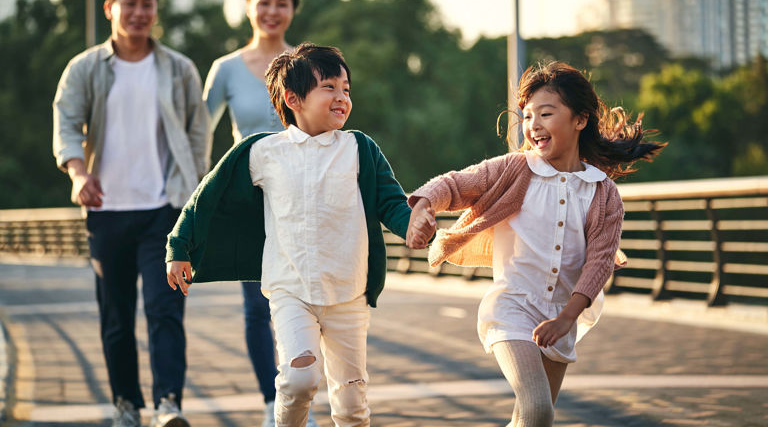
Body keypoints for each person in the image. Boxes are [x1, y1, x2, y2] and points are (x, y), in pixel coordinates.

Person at [165, 43, 434, 427]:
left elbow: (391, 203)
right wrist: (179, 246)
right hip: (290, 291)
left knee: (352, 403)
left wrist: (413, 225)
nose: (342, 97)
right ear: (293, 98)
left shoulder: (360, 149)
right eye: (329, 87)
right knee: (298, 379)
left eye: (346, 89)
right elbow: (207, 196)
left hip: (349, 293)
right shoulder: (263, 152)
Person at [406, 61, 664, 427]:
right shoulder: (515, 169)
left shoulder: (603, 193)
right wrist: (423, 206)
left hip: (562, 314)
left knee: (533, 419)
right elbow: (455, 184)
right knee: (538, 408)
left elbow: (600, 261)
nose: (533, 125)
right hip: (512, 307)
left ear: (580, 120)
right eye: (527, 116)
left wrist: (567, 317)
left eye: (546, 113)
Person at [52, 0, 210, 427]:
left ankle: (168, 405)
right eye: (130, 3)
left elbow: (199, 130)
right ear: (110, 8)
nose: (140, 12)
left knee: (165, 310)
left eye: (148, 4)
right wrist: (78, 173)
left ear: (156, 11)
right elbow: (65, 122)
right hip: (106, 210)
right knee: (117, 316)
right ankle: (126, 405)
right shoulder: (85, 68)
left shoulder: (178, 68)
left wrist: (193, 191)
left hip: (165, 209)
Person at [202, 0, 315, 427]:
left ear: (292, 10)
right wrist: (202, 197)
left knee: (309, 300)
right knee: (256, 307)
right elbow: (198, 133)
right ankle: (275, 402)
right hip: (249, 202)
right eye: (263, 1)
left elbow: (332, 116)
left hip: (306, 196)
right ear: (249, 6)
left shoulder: (308, 62)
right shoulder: (226, 68)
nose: (272, 11)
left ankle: (301, 397)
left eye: (281, 3)